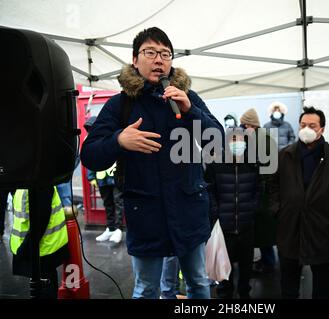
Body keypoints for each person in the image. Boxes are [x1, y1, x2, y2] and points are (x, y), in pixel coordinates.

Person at [80, 27, 223, 299]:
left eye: (165, 54)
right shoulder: (120, 105)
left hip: (189, 211)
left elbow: (218, 144)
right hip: (146, 215)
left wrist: (191, 112)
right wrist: (119, 140)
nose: (159, 60)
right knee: (146, 288)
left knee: (199, 284)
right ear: (135, 60)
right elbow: (90, 155)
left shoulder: (187, 98)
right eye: (150, 52)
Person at [268, 106, 329, 299]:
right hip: (290, 228)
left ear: (322, 128)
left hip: (321, 229)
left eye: (312, 125)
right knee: (288, 285)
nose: (306, 128)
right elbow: (272, 184)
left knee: (322, 285)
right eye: (303, 125)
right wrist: (277, 210)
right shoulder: (284, 155)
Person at [204, 128, 261, 299]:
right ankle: (224, 294)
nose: (237, 143)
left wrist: (253, 208)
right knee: (223, 266)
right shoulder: (216, 164)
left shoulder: (253, 163)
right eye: (233, 139)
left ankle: (245, 293)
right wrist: (216, 212)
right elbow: (210, 190)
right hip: (224, 225)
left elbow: (258, 189)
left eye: (240, 139)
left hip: (246, 224)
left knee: (246, 265)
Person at [10, 186, 68, 298]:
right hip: (37, 247)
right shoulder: (25, 178)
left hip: (42, 248)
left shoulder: (40, 182)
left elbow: (40, 220)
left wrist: (24, 250)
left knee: (44, 289)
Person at [239, 108, 278, 275]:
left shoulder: (260, 141)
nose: (241, 128)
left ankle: (269, 263)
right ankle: (266, 260)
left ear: (250, 125)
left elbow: (264, 168)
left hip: (263, 192)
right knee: (264, 231)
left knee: (264, 231)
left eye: (243, 125)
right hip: (263, 191)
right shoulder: (262, 138)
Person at [85, 115, 124, 244]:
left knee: (118, 202)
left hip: (115, 176)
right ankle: (110, 228)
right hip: (101, 177)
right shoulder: (92, 140)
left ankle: (118, 229)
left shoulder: (111, 136)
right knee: (107, 204)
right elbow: (90, 159)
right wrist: (91, 178)